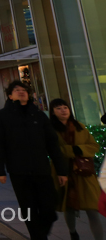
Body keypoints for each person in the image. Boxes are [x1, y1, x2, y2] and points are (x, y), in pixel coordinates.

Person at [0, 81, 68, 240]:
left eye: (24, 90)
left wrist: (61, 170)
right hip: (18, 170)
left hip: (41, 168)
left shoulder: (39, 115)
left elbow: (52, 144)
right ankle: (38, 237)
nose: (21, 92)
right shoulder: (3, 116)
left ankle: (39, 235)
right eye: (16, 90)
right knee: (29, 209)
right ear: (10, 95)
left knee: (49, 209)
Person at [49, 99, 103, 240]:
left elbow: (93, 146)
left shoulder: (79, 126)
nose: (63, 110)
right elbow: (52, 150)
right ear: (53, 112)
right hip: (63, 171)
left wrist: (78, 149)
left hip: (84, 172)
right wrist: (71, 150)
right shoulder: (50, 130)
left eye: (65, 107)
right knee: (69, 205)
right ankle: (73, 233)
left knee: (92, 208)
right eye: (59, 108)